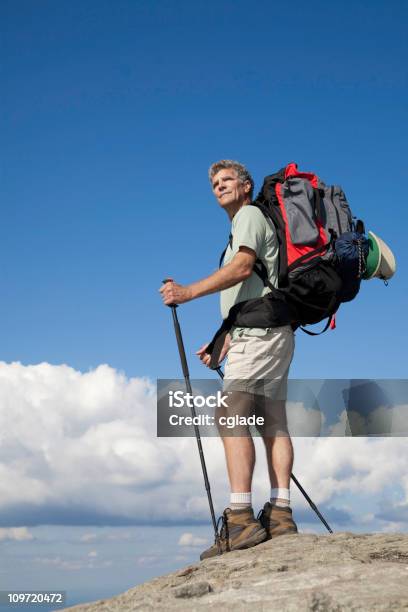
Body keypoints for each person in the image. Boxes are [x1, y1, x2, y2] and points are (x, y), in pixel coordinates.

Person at [160, 160, 298, 560]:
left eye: (227, 181)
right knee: (272, 421)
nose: (219, 187)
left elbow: (240, 269)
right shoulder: (246, 221)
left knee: (230, 414)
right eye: (215, 183)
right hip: (268, 332)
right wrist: (221, 340)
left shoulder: (249, 215)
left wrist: (187, 293)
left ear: (246, 185)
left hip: (260, 337)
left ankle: (240, 519)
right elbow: (251, 289)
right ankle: (280, 514)